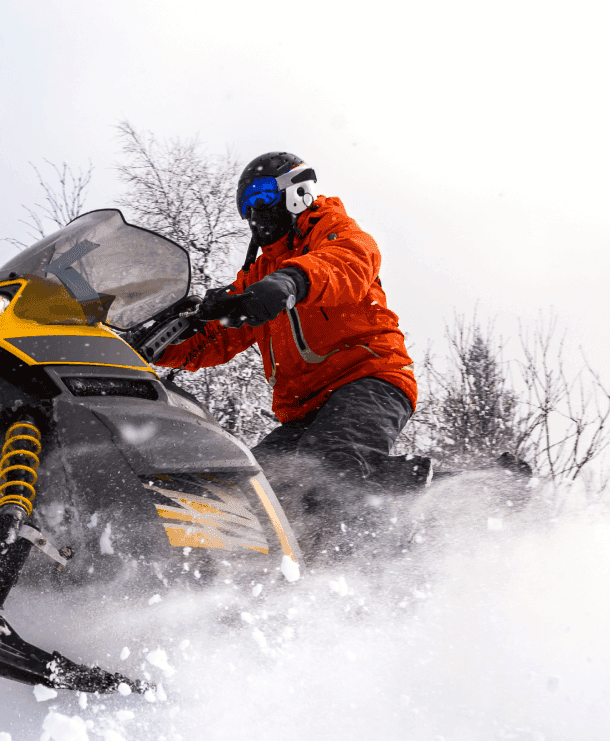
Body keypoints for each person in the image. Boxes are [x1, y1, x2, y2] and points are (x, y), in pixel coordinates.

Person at [154, 152, 429, 496]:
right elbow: (215, 338)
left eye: (263, 196)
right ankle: (401, 489)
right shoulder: (259, 277)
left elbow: (348, 260)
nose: (256, 213)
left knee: (326, 470)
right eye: (247, 206)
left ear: (298, 193)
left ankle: (425, 507)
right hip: (305, 410)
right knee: (255, 489)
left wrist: (290, 282)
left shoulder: (332, 230)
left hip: (369, 379)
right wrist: (156, 340)